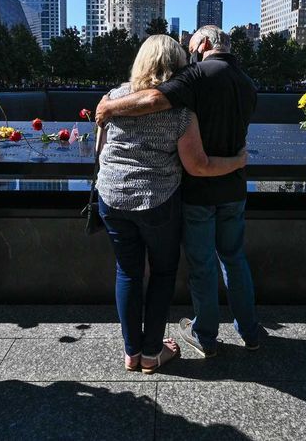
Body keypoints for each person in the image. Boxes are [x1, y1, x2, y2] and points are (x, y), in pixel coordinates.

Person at [97, 25, 261, 358]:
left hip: (177, 193)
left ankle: (195, 338)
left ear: (203, 44)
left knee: (191, 266)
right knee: (231, 258)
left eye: (193, 48)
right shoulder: (247, 85)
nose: (190, 57)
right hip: (226, 189)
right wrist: (238, 161)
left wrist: (110, 108)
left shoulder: (192, 77)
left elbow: (151, 102)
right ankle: (249, 331)